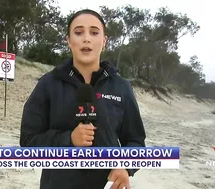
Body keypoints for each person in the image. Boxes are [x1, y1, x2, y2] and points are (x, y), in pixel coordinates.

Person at [20, 9, 146, 189]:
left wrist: (125, 166)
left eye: (94, 32)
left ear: (104, 41)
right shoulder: (48, 84)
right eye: (78, 33)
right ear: (69, 41)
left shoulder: (121, 87)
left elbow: (136, 141)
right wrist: (69, 140)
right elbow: (28, 142)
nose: (86, 38)